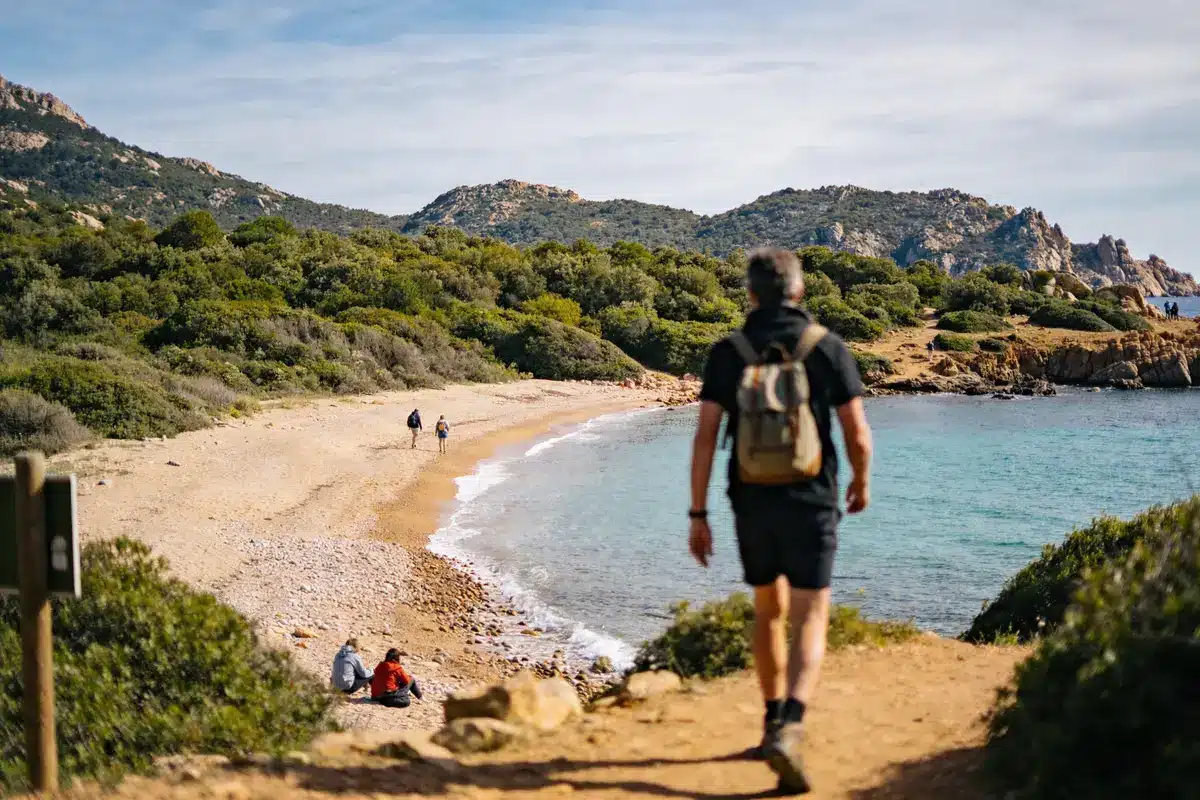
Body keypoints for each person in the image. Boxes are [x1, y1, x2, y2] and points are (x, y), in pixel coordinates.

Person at [688, 247, 873, 794]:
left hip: (750, 500)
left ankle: (770, 719)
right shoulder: (827, 347)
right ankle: (792, 723)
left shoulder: (729, 351)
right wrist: (860, 483)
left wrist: (698, 514)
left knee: (767, 610)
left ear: (750, 293)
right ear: (799, 290)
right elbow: (857, 434)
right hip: (813, 498)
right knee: (811, 613)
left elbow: (704, 439)